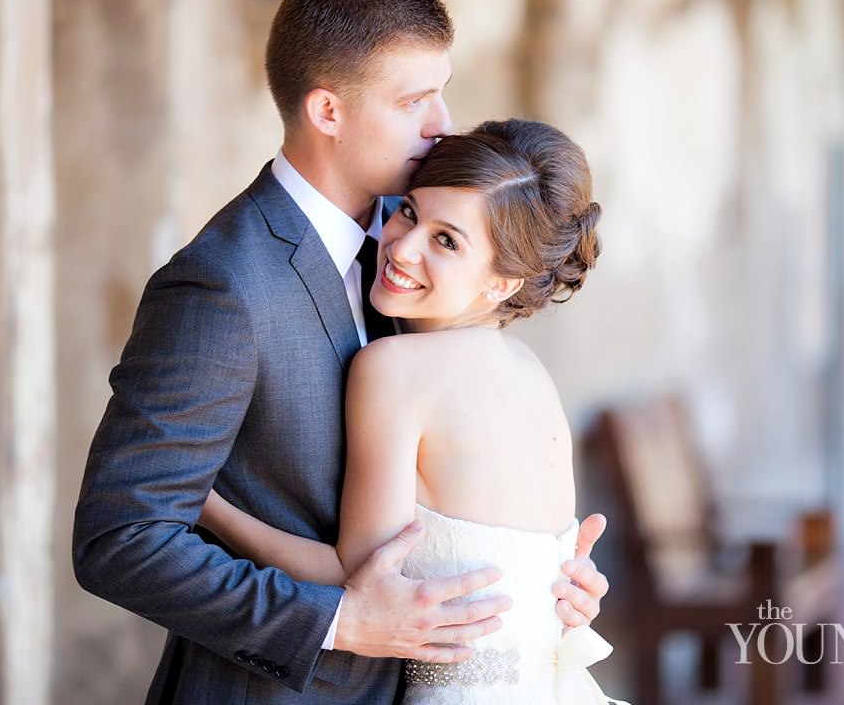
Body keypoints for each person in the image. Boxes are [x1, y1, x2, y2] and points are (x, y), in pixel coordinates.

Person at [72, 0, 608, 705]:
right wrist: (338, 622)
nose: (441, 125)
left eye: (442, 94)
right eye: (414, 100)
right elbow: (118, 541)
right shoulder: (222, 285)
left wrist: (541, 586)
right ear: (329, 112)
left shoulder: (414, 248)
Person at [198, 119, 626, 704]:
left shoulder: (394, 367)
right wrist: (577, 592)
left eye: (447, 241)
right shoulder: (529, 371)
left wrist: (208, 504)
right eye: (407, 212)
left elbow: (361, 576)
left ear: (502, 283)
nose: (402, 246)